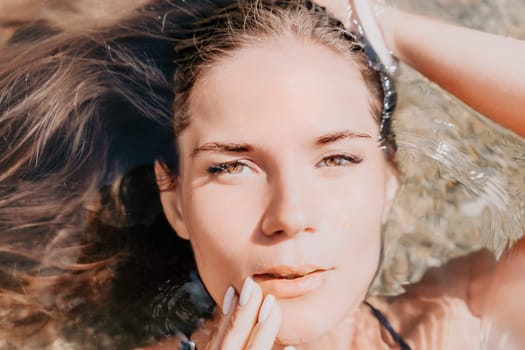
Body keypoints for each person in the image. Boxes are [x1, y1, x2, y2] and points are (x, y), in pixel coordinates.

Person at [0, 0, 523, 349]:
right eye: (231, 166)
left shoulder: (465, 318)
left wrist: (382, 25)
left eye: (337, 158)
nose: (290, 216)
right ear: (174, 199)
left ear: (390, 181)